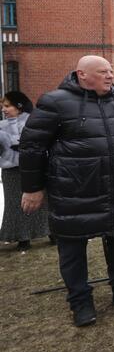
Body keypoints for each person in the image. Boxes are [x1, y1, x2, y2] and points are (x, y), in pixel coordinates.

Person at [19, 56, 114, 327]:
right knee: (72, 250)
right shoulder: (55, 102)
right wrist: (33, 188)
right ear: (82, 75)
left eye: (111, 71)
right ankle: (80, 301)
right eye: (103, 72)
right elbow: (32, 147)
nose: (110, 76)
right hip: (74, 190)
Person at [0, 91, 50, 249]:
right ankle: (22, 237)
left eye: (7, 106)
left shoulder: (34, 122)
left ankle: (51, 232)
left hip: (35, 168)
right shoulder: (1, 126)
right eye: (2, 106)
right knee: (15, 204)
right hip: (11, 172)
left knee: (43, 203)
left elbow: (43, 143)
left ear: (19, 107)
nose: (3, 109)